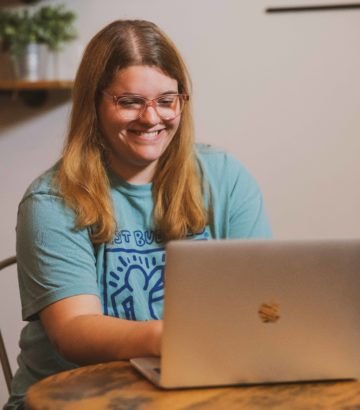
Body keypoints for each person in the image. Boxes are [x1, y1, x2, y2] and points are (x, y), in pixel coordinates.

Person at [5, 19, 271, 409]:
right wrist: (166, 338)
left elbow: (261, 296)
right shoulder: (50, 199)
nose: (152, 118)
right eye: (130, 102)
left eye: (166, 100)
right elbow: (74, 331)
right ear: (93, 104)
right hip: (67, 398)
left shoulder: (225, 177)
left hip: (186, 390)